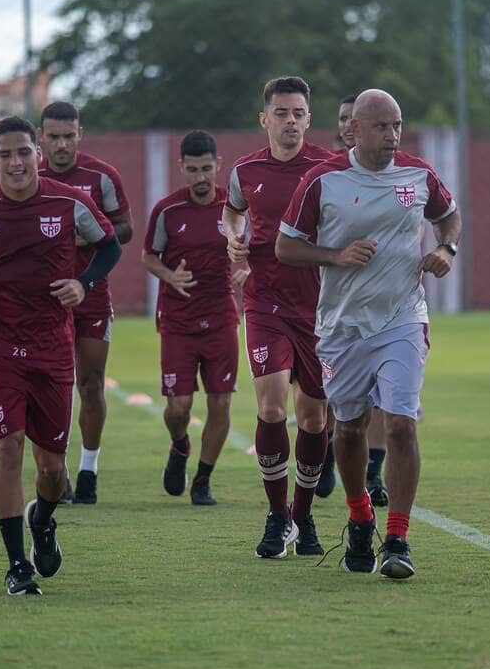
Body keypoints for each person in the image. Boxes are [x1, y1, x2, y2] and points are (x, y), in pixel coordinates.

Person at [277, 89, 461, 579]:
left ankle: (397, 538)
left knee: (401, 422)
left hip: (403, 318)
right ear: (352, 130)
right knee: (351, 427)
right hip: (341, 327)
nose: (393, 136)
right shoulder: (323, 180)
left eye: (398, 125)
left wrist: (447, 249)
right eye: (382, 127)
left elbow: (448, 217)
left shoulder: (418, 175)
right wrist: (335, 257)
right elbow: (285, 248)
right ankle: (360, 517)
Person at [0, 116, 120, 596]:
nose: (16, 162)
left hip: (52, 349)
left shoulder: (68, 202)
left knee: (52, 468)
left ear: (37, 153)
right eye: (5, 154)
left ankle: (43, 520)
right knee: (7, 448)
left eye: (23, 152)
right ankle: (17, 565)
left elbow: (110, 246)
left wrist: (84, 282)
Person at [222, 76, 334, 559]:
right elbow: (232, 212)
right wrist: (234, 238)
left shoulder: (329, 168)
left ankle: (304, 517)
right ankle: (277, 515)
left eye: (299, 113)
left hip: (320, 306)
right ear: (264, 118)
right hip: (264, 299)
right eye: (282, 113)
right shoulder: (245, 170)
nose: (291, 121)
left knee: (313, 417)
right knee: (271, 408)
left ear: (309, 119)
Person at [37, 101, 133, 505]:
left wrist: (94, 235)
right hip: (42, 301)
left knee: (90, 384)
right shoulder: (28, 176)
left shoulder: (101, 176)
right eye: (53, 136)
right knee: (50, 389)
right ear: (41, 138)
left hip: (91, 295)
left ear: (80, 134)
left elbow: (125, 229)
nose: (61, 144)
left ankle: (89, 468)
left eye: (68, 135)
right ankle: (56, 472)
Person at [143, 131, 238, 506]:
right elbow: (149, 256)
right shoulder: (168, 210)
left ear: (218, 165)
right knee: (178, 407)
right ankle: (180, 445)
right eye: (193, 169)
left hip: (220, 318)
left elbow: (251, 250)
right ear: (181, 168)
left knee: (220, 403)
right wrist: (170, 276)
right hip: (178, 321)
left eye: (207, 169)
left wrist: (244, 269)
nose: (200, 177)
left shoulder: (233, 209)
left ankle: (203, 479)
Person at [317, 92, 390, 508]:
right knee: (333, 390)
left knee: (383, 391)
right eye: (342, 118)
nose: (348, 124)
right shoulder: (324, 173)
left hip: (383, 301)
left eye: (353, 118)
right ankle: (330, 450)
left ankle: (374, 472)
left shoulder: (393, 172)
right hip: (330, 298)